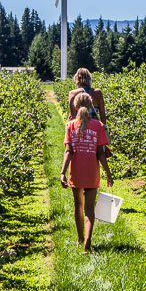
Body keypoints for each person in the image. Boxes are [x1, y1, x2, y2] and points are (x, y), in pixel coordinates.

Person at [60, 92, 113, 253]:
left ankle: (80, 238)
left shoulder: (70, 125)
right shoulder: (98, 126)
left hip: (76, 171)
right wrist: (108, 174)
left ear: (75, 107)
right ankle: (87, 243)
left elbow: (68, 151)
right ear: (91, 107)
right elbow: (101, 153)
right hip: (92, 171)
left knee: (78, 206)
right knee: (90, 208)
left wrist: (63, 172)